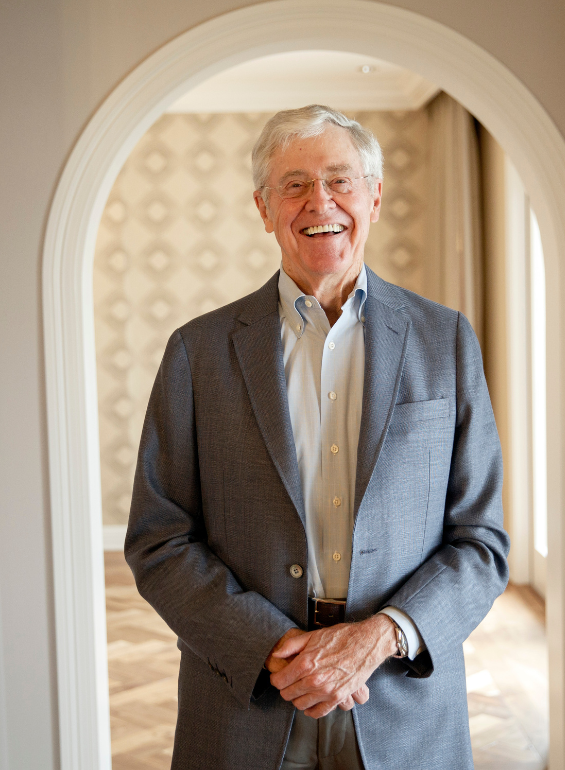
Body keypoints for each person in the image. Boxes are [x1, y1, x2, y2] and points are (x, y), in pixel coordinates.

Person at [125, 104, 509, 770]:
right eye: (294, 184)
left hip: (401, 702)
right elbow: (160, 539)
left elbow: (481, 542)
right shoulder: (198, 351)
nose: (319, 201)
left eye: (340, 179)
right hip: (249, 700)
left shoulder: (444, 341)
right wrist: (277, 650)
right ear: (263, 207)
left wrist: (381, 637)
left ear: (375, 197)